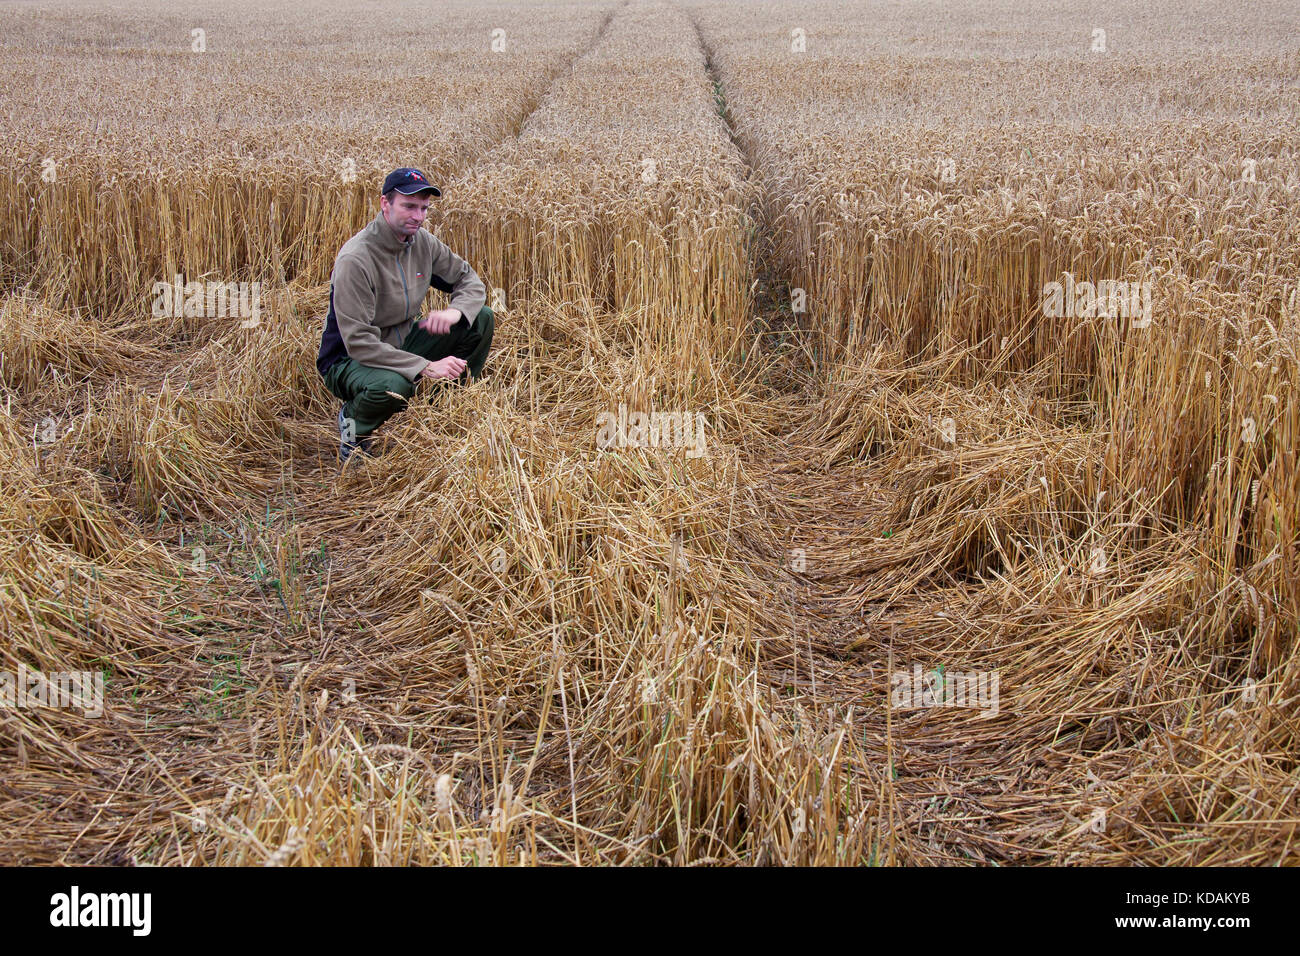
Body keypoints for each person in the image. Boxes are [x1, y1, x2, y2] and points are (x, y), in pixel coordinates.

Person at [316, 167, 494, 463]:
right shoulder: (356, 259)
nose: (418, 216)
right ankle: (353, 426)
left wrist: (455, 312)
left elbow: (469, 280)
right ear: (385, 204)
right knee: (393, 386)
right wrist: (425, 366)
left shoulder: (422, 242)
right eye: (409, 206)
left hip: (401, 342)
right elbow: (359, 343)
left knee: (481, 318)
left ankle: (441, 410)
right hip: (349, 359)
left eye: (424, 208)